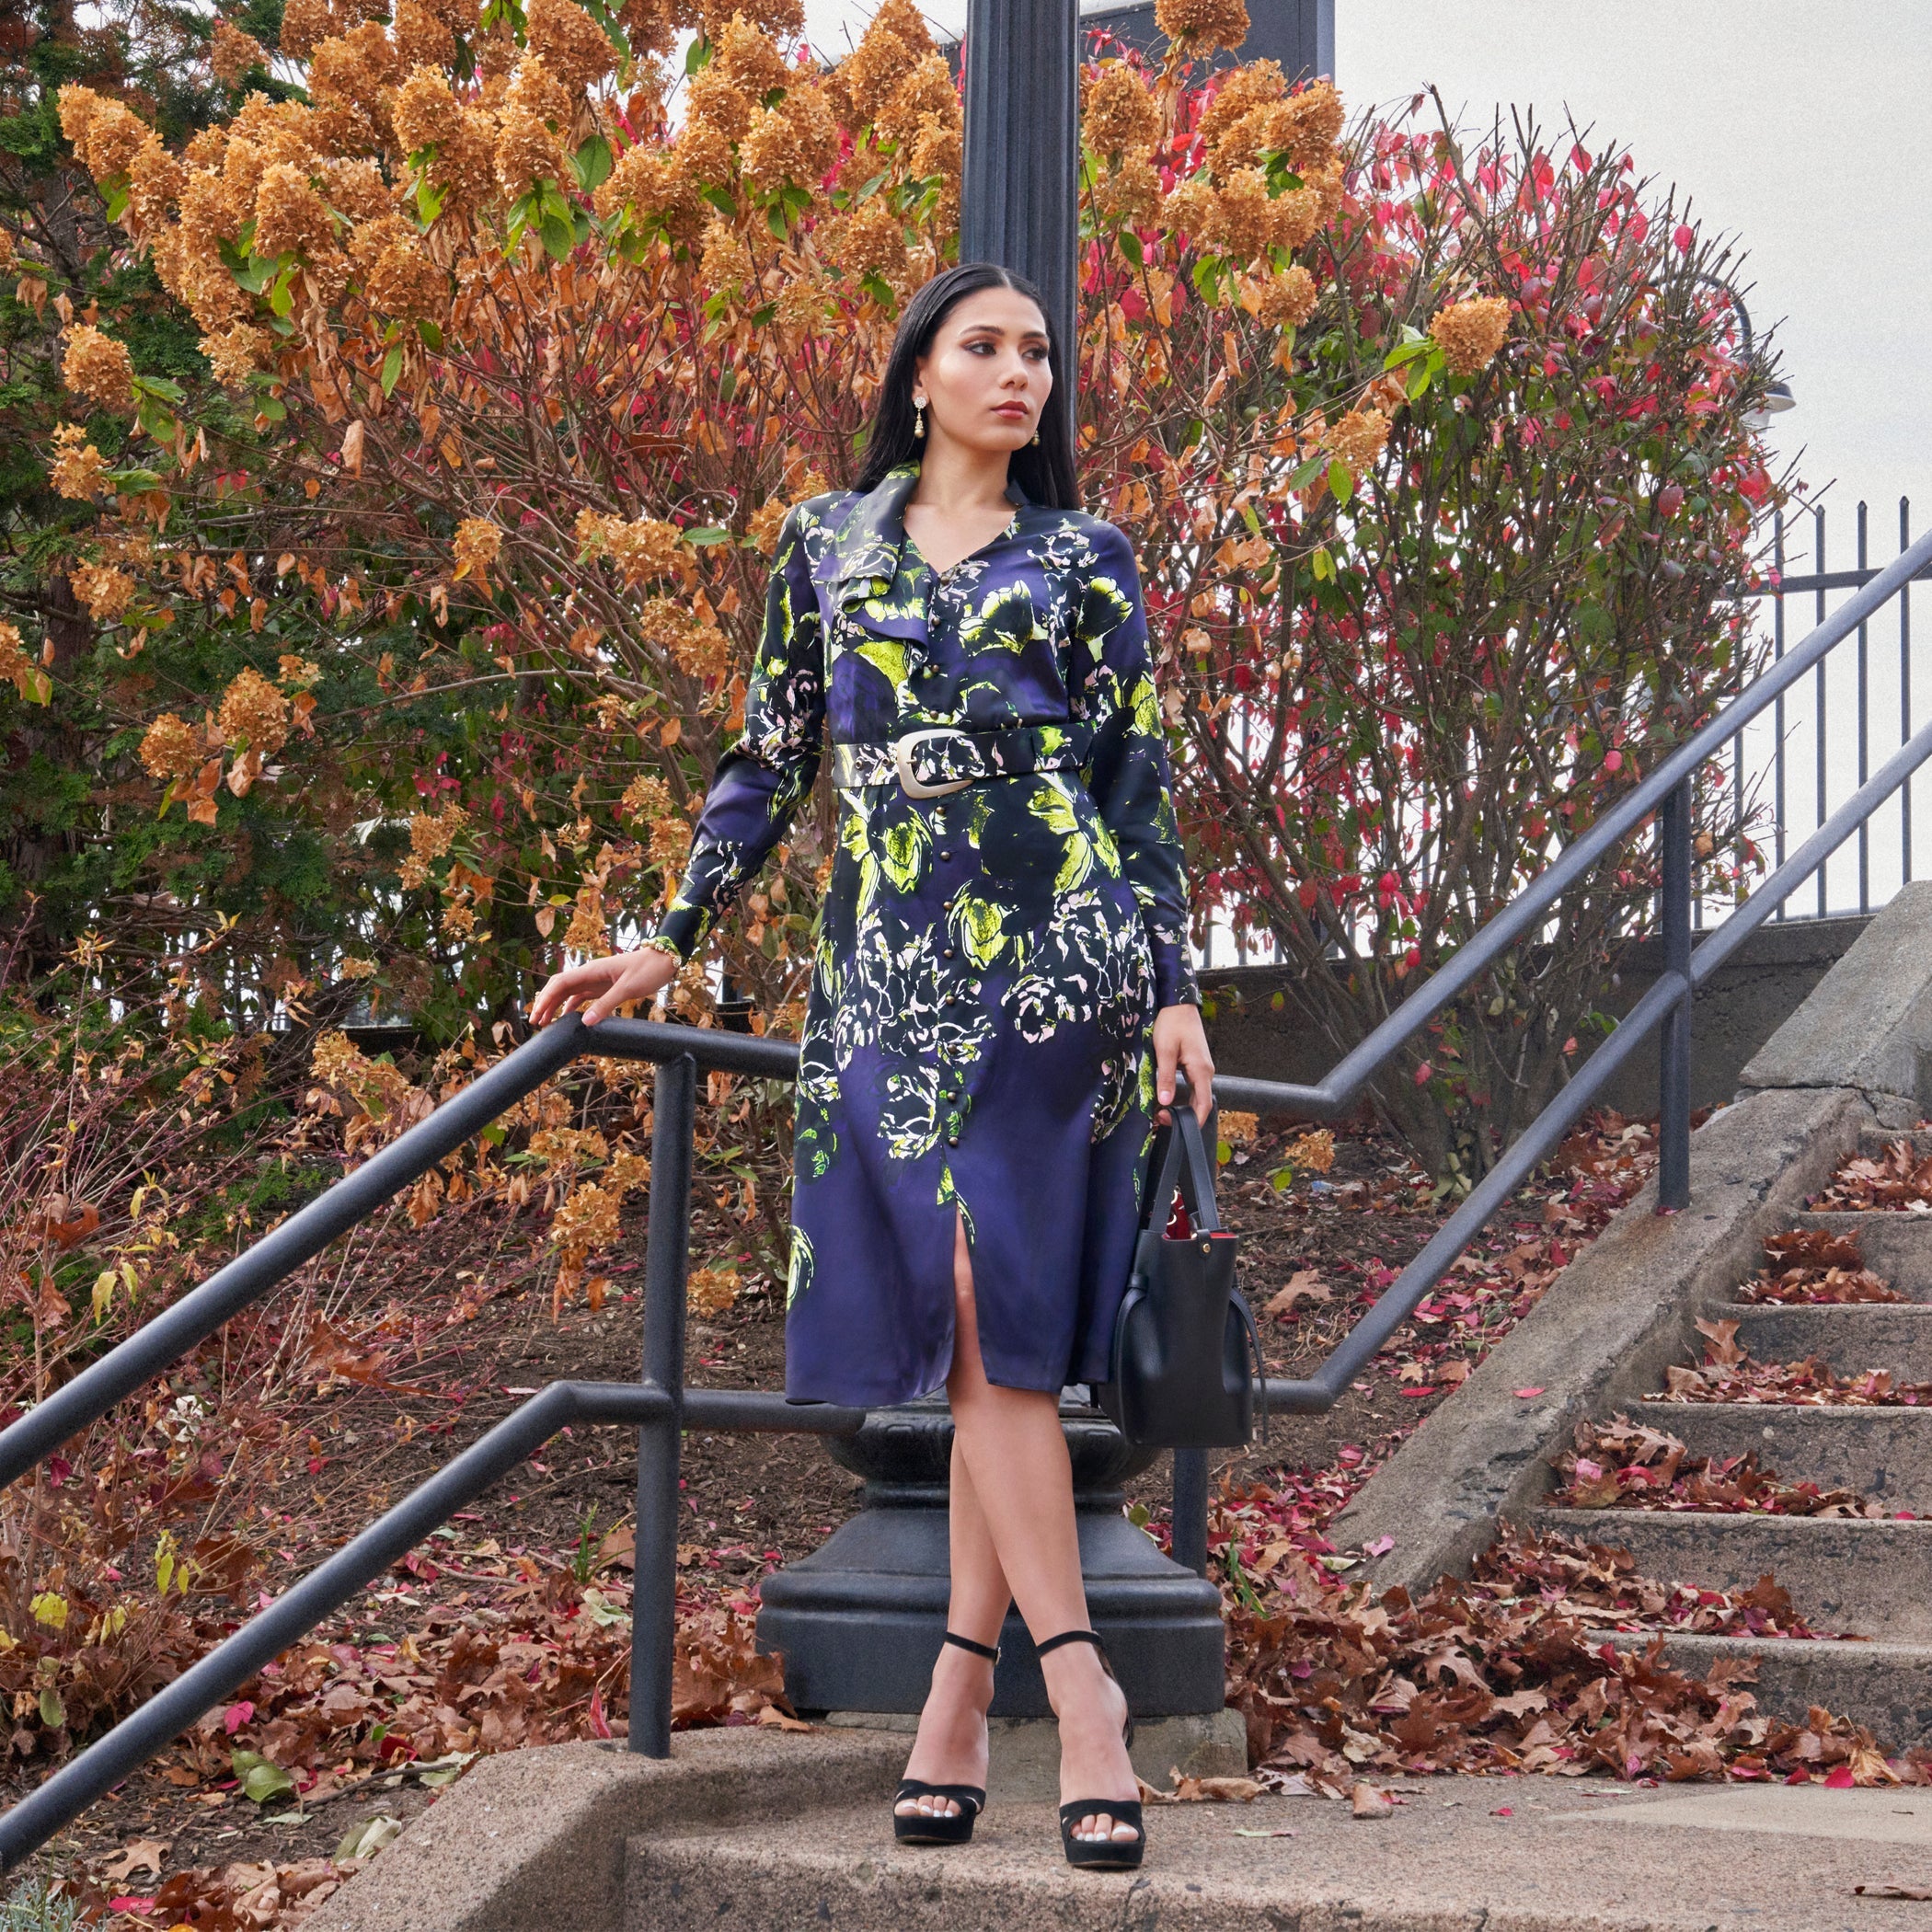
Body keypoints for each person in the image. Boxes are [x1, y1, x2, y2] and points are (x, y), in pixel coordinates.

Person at [530, 260, 1214, 1873]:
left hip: (1061, 979)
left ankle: (1060, 1699)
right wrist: (670, 937)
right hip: (889, 986)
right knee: (983, 1348)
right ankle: (982, 1697)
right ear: (919, 373)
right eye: (985, 347)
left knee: (997, 1341)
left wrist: (1176, 989)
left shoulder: (1083, 559)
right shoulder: (826, 545)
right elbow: (768, 756)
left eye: (1038, 353)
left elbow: (1133, 779)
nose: (1019, 375)